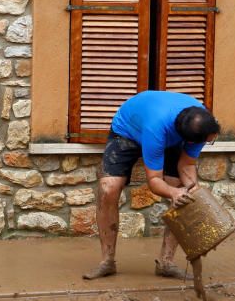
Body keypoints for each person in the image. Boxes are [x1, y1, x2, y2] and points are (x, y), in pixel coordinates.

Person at [83, 91, 220, 281]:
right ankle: (107, 262)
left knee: (185, 193)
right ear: (188, 140)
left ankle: (166, 263)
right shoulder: (156, 128)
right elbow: (154, 181)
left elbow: (186, 165)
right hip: (129, 131)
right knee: (108, 188)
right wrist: (173, 193)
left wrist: (192, 190)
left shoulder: (202, 124)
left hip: (170, 132)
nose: (209, 142)